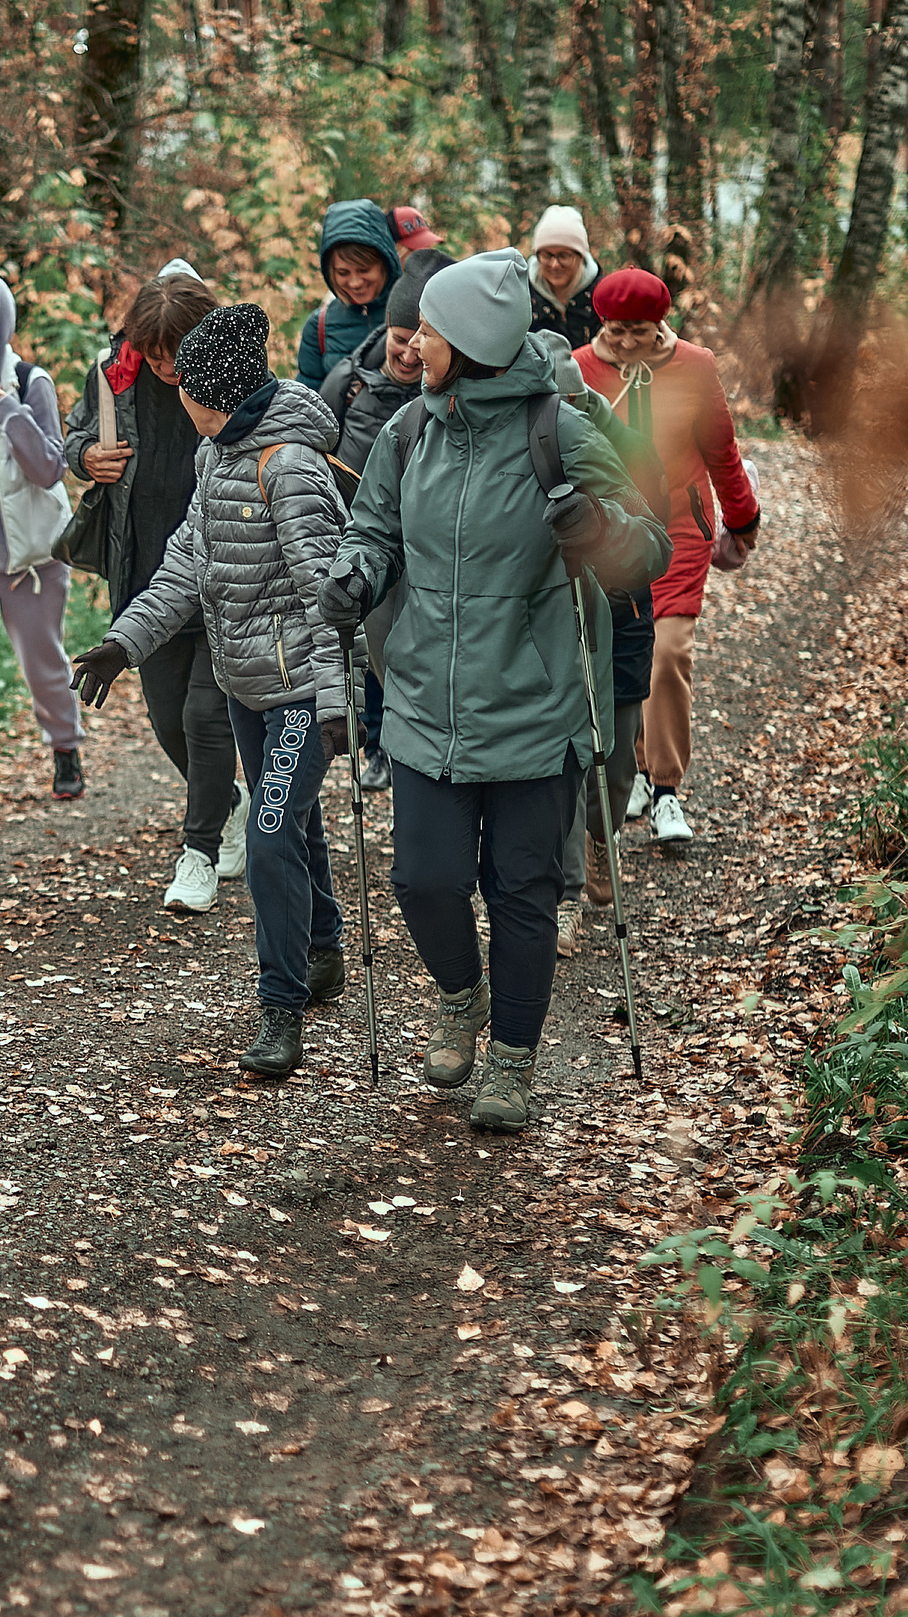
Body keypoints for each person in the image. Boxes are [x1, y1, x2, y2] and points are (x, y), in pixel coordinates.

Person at [319, 250, 669, 1131]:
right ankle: (460, 996)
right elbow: (373, 530)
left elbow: (648, 550)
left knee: (522, 891)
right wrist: (355, 574)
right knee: (424, 880)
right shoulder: (410, 433)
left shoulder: (560, 430)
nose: (414, 343)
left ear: (469, 341)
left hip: (535, 705)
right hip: (426, 702)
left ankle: (513, 1059)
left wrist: (594, 528)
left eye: (430, 329)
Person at [69, 303, 351, 1079]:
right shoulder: (215, 455)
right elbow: (185, 565)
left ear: (212, 391)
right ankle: (324, 948)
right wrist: (125, 642)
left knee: (266, 835)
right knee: (292, 826)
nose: (178, 395)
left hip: (296, 693)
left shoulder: (286, 467)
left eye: (186, 383)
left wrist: (334, 704)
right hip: (243, 685)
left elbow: (328, 595)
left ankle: (281, 1006)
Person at [64, 264, 250, 914]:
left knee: (205, 718)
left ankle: (196, 853)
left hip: (228, 575)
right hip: (145, 573)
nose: (169, 366)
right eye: (158, 352)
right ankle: (227, 805)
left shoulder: (235, 378)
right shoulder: (113, 375)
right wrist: (86, 455)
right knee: (169, 721)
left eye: (180, 351)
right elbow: (75, 433)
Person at [571, 268, 760, 847]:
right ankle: (627, 770)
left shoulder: (695, 365)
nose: (625, 342)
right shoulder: (581, 368)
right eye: (615, 331)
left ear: (659, 324)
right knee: (620, 650)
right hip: (613, 531)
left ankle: (667, 790)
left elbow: (721, 448)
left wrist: (743, 516)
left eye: (638, 331)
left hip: (680, 525)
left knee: (670, 650)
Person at [532, 333, 655, 956]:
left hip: (624, 611)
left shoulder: (612, 440)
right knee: (566, 759)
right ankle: (566, 895)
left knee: (614, 759)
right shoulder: (528, 437)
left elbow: (649, 518)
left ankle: (603, 840)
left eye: (572, 403)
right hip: (561, 617)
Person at [0, 266, 84, 816]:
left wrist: (6, 408)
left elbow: (51, 468)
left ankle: (66, 747)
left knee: (43, 664)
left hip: (31, 555)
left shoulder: (32, 382)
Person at [322, 249, 456, 793]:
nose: (409, 351)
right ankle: (382, 745)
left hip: (436, 552)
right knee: (380, 658)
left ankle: (423, 755)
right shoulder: (349, 382)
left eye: (419, 338)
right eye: (401, 337)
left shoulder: (451, 391)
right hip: (370, 544)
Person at [295, 201, 404, 394]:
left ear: (385, 263)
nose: (355, 282)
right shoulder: (318, 326)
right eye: (343, 272)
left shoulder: (416, 313)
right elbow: (306, 404)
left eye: (364, 270)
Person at [526, 205, 603, 351]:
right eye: (546, 255)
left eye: (564, 255)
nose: (555, 265)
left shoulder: (602, 295)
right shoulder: (522, 294)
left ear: (580, 256)